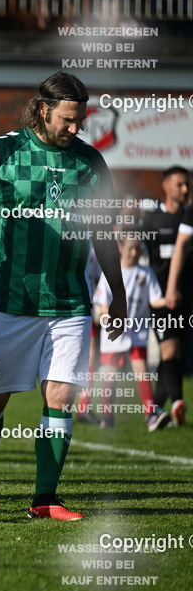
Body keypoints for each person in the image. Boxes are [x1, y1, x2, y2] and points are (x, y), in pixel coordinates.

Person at [0, 72, 126, 520]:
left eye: (79, 121)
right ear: (43, 109)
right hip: (8, 299)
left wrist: (118, 293)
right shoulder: (1, 151)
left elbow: (103, 234)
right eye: (67, 120)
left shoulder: (91, 163)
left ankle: (45, 498)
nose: (74, 129)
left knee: (61, 396)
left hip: (70, 301)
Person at [92, 238, 168, 430]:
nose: (134, 253)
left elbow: (155, 299)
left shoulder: (146, 273)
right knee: (110, 375)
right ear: (120, 248)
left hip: (136, 333)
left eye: (138, 249)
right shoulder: (111, 274)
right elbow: (102, 303)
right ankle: (107, 417)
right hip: (114, 334)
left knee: (142, 372)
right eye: (131, 249)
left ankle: (150, 415)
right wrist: (112, 319)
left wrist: (168, 301)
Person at [145, 166, 191, 425]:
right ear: (165, 185)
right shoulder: (151, 221)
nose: (184, 190)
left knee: (170, 356)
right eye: (179, 184)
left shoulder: (190, 218)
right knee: (170, 350)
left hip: (187, 300)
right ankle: (178, 404)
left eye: (187, 185)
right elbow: (133, 254)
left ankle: (156, 410)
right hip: (160, 300)